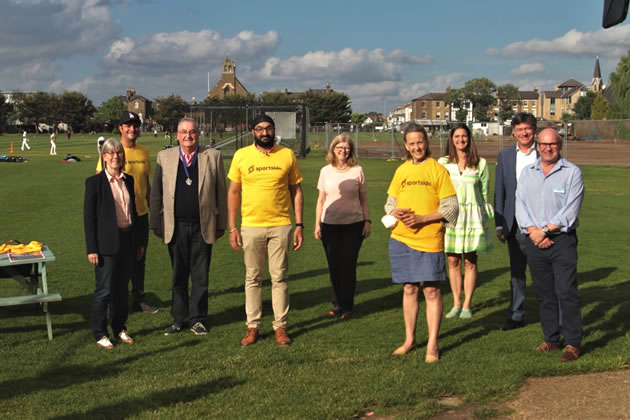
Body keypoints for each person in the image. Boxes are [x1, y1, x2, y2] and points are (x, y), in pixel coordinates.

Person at [227, 114, 304, 347]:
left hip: (280, 225)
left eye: (268, 128)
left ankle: (280, 326)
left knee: (279, 277)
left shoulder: (287, 154)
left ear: (274, 130)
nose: (264, 132)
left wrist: (299, 225)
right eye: (259, 129)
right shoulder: (241, 155)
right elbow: (233, 193)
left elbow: (296, 191)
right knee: (253, 278)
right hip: (251, 226)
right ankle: (253, 327)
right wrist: (233, 227)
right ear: (253, 132)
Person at [385, 123, 458, 362]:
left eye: (420, 142)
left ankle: (433, 345)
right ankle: (409, 339)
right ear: (406, 146)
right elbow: (389, 203)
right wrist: (395, 213)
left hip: (429, 240)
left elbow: (451, 208)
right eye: (412, 143)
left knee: (431, 290)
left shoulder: (438, 170)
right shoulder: (401, 171)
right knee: (409, 289)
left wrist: (422, 218)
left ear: (426, 142)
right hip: (401, 239)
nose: (417, 147)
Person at [150, 118, 227, 336]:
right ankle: (179, 318)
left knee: (201, 275)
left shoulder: (212, 156)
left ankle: (197, 319)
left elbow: (221, 192)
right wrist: (155, 222)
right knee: (179, 275)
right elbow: (156, 192)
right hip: (175, 226)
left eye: (192, 132)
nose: (188, 136)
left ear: (198, 134)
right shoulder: (165, 157)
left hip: (203, 226)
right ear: (177, 135)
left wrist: (221, 224)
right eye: (183, 132)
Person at [515, 128, 584, 362]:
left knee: (566, 291)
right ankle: (552, 340)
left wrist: (544, 231)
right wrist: (533, 232)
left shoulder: (572, 173)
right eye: (543, 144)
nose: (548, 148)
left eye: (552, 144)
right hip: (534, 241)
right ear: (537, 146)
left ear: (560, 144)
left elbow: (570, 212)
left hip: (562, 241)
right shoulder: (527, 173)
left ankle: (573, 343)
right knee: (545, 294)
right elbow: (520, 205)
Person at [84, 138, 144, 349]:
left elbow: (134, 214)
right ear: (104, 156)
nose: (115, 156)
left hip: (127, 241)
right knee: (104, 291)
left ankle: (119, 328)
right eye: (110, 153)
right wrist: (92, 248)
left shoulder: (128, 180)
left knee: (121, 290)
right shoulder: (94, 183)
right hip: (106, 245)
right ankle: (100, 332)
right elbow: (89, 218)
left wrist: (138, 242)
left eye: (118, 153)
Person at [96, 112, 158, 314]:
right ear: (120, 128)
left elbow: (146, 185)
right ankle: (111, 300)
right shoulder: (113, 151)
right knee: (114, 259)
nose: (133, 129)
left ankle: (138, 298)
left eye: (136, 125)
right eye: (128, 125)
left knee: (139, 258)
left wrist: (153, 212)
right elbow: (100, 184)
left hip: (139, 215)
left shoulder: (144, 151)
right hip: (117, 217)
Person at [438, 123, 493, 319]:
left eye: (464, 136)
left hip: (471, 218)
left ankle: (467, 304)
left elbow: (484, 194)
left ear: (469, 138)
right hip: (450, 217)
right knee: (452, 260)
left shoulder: (481, 163)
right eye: (457, 136)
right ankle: (456, 303)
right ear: (451, 140)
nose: (461, 139)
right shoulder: (443, 162)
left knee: (470, 261)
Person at [314, 134, 371, 319]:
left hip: (353, 224)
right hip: (329, 224)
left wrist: (367, 222)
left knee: (348, 265)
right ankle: (337, 303)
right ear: (333, 149)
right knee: (334, 266)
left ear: (350, 150)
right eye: (339, 147)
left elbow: (364, 199)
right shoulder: (325, 171)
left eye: (346, 147)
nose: (343, 150)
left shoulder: (357, 171)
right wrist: (317, 225)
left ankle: (347, 306)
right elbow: (321, 200)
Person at [494, 112, 538, 331]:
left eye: (527, 128)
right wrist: (500, 223)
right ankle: (516, 315)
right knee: (517, 274)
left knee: (543, 273)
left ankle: (550, 314)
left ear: (534, 130)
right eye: (520, 129)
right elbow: (499, 190)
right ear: (514, 132)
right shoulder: (506, 156)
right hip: (515, 225)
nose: (524, 133)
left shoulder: (545, 152)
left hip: (541, 225)